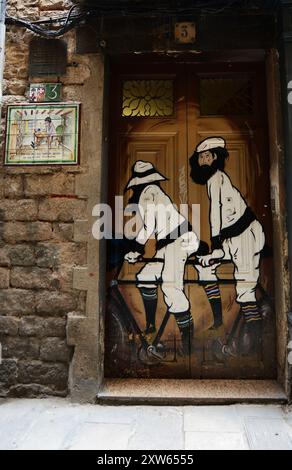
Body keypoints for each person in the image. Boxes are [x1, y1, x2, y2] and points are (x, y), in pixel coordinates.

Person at [189, 137, 265, 355]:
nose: (203, 161)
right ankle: (218, 323)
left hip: (245, 237)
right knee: (204, 268)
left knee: (245, 291)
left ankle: (256, 345)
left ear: (215, 157)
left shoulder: (218, 178)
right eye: (200, 157)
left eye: (207, 156)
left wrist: (216, 247)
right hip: (231, 240)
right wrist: (218, 248)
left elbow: (217, 214)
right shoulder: (214, 179)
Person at [124, 161, 200, 354]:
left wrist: (137, 249)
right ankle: (151, 327)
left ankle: (188, 339)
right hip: (169, 244)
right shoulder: (154, 192)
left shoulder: (148, 193)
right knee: (145, 278)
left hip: (178, 241)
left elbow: (148, 226)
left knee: (170, 287)